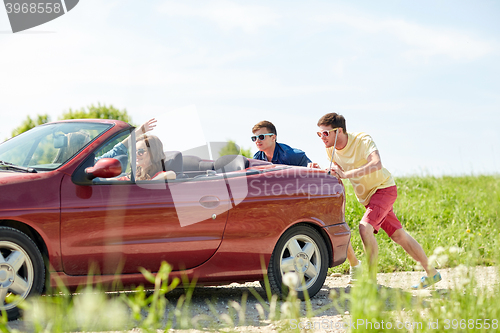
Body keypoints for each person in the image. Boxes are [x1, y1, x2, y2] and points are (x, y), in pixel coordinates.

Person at [309, 113, 441, 289]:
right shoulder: (330, 149)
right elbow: (337, 170)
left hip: (383, 188)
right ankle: (432, 272)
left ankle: (370, 281)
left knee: (365, 229)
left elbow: (376, 164)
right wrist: (321, 169)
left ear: (338, 131)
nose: (321, 138)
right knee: (399, 235)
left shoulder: (362, 139)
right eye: (319, 134)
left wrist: (347, 175)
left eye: (325, 133)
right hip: (368, 198)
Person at [100, 118, 175, 181]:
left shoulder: (158, 175)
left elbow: (171, 174)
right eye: (134, 151)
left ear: (153, 153)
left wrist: (147, 182)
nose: (136, 155)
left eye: (140, 151)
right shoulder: (132, 176)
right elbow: (106, 181)